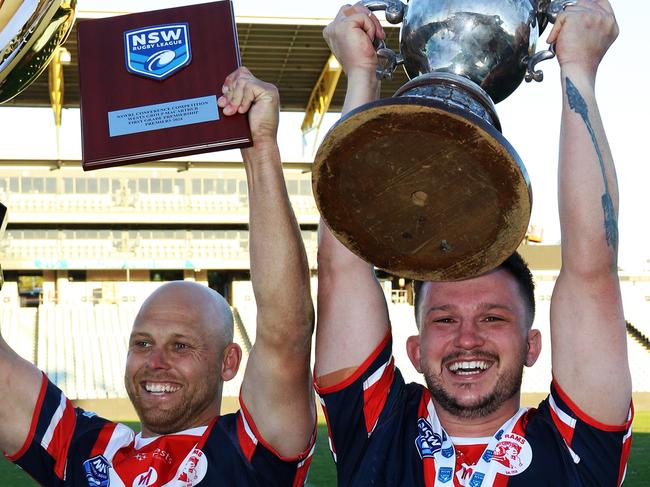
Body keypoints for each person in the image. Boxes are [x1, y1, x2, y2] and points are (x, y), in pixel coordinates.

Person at [315, 1, 632, 486]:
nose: (467, 338)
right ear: (416, 348)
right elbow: (343, 263)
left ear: (531, 344)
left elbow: (592, 272)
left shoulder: (576, 449)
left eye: (493, 317)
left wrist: (579, 70)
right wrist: (361, 74)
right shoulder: (377, 428)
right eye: (444, 318)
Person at [0, 68, 316, 486]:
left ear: (229, 362)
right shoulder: (84, 449)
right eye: (142, 343)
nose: (155, 362)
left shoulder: (252, 451)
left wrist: (259, 149)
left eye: (181, 345)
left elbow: (286, 329)